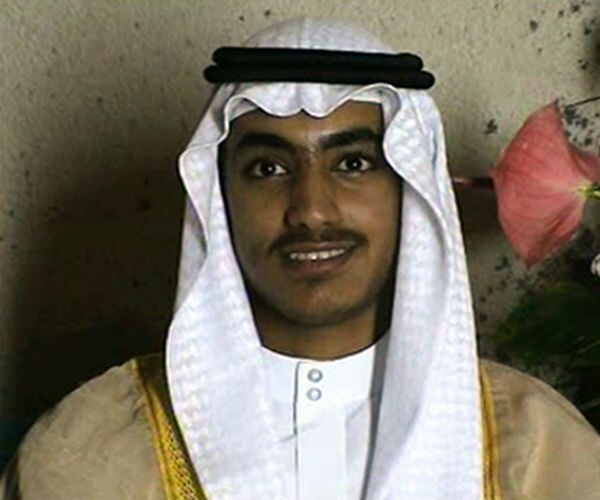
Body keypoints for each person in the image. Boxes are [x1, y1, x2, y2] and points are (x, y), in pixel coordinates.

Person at [2, 18, 599, 500]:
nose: (311, 210)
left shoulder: (540, 448)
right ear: (218, 198)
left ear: (411, 194)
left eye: (353, 164)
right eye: (268, 168)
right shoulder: (90, 449)